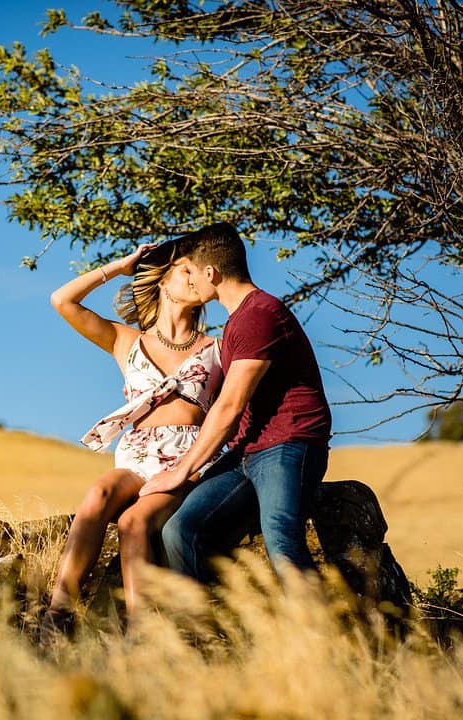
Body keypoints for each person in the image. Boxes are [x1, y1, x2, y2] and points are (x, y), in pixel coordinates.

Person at [42, 238, 224, 636]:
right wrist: (120, 267)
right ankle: (57, 614)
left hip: (187, 457)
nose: (195, 278)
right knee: (98, 496)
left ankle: (139, 632)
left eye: (198, 272)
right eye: (185, 271)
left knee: (134, 522)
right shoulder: (126, 341)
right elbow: (62, 300)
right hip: (136, 453)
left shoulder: (219, 348)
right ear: (163, 281)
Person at [137, 222, 332, 583]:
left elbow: (230, 407)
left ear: (211, 272)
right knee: (181, 530)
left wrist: (180, 472)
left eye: (191, 273)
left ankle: (321, 636)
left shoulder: (258, 314)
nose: (190, 282)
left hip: (288, 447)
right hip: (246, 453)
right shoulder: (235, 323)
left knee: (282, 542)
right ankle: (203, 633)